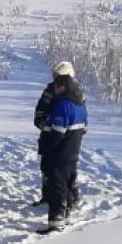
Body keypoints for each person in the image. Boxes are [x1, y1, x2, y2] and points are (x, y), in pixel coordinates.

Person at [34, 60, 87, 228]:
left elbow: (59, 127)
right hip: (66, 142)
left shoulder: (69, 100)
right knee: (60, 173)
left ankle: (60, 213)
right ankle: (59, 202)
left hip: (59, 142)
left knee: (60, 177)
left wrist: (50, 133)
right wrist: (44, 124)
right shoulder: (74, 97)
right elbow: (40, 113)